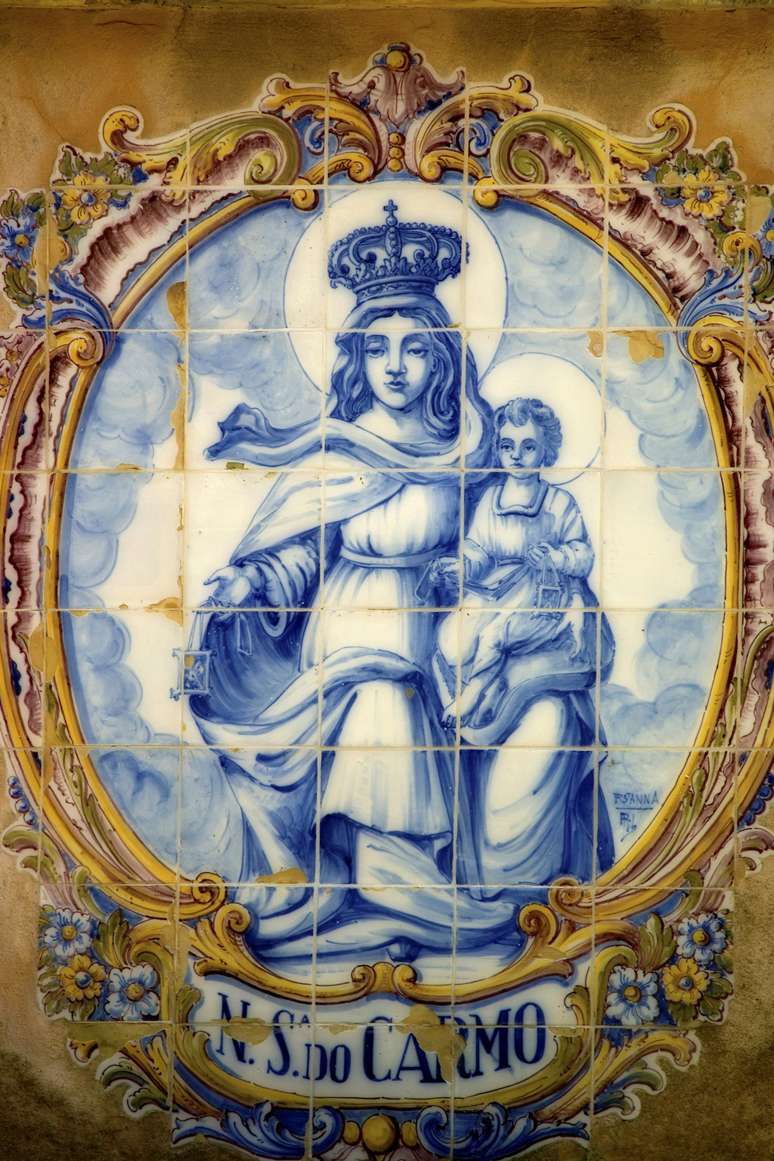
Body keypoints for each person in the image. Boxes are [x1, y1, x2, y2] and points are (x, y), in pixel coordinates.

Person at [187, 201, 512, 959]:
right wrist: (252, 581)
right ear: (355, 361)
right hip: (345, 626)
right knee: (371, 713)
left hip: (426, 632)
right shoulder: (337, 451)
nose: (395, 367)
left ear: (442, 359)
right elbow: (305, 554)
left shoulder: (467, 450)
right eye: (376, 349)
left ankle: (402, 886)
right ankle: (371, 885)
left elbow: (494, 543)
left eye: (414, 349)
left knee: (401, 717)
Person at [434, 397, 595, 729]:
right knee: (453, 640)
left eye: (528, 447)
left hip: (545, 595)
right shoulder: (491, 500)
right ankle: (485, 699)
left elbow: (583, 555)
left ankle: (473, 694)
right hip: (496, 589)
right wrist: (463, 566)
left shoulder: (559, 502)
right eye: (508, 446)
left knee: (495, 635)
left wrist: (555, 557)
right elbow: (478, 548)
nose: (517, 455)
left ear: (546, 451)